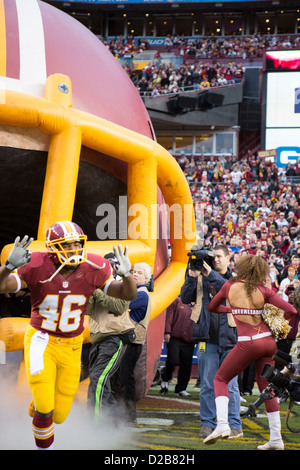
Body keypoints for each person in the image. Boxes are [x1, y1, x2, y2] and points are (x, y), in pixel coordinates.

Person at [0, 222, 137, 450]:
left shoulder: (94, 266)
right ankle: (45, 445)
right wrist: (7, 266)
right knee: (46, 406)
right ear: (53, 248)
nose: (74, 249)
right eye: (67, 244)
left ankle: (39, 407)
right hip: (41, 339)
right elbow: (2, 285)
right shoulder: (37, 265)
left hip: (71, 345)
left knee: (60, 414)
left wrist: (127, 275)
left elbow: (127, 294)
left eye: (77, 243)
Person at [204, 254, 297, 449]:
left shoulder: (229, 287)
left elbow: (212, 307)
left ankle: (222, 425)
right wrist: (277, 323)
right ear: (260, 272)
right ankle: (275, 439)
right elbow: (292, 311)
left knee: (220, 379)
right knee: (267, 388)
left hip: (248, 342)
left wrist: (231, 310)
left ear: (242, 268)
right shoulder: (264, 290)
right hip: (268, 342)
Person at [180, 244, 242, 439]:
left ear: (227, 259)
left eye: (218, 257)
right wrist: (191, 275)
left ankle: (234, 424)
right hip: (206, 336)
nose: (215, 260)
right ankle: (207, 423)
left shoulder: (236, 277)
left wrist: (208, 274)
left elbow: (228, 290)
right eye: (212, 257)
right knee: (207, 383)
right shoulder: (198, 276)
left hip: (230, 337)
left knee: (231, 384)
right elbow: (184, 297)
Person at [115, 262, 152, 423]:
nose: (135, 274)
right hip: (130, 340)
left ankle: (128, 415)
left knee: (125, 377)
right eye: (133, 271)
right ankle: (124, 414)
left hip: (132, 341)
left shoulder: (142, 294)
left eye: (139, 272)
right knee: (121, 377)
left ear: (146, 277)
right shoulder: (138, 292)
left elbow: (120, 306)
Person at [159, 296, 196, 397]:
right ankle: (165, 377)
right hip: (175, 337)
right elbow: (169, 316)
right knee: (173, 360)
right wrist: (167, 332)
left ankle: (181, 389)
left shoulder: (199, 304)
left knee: (186, 365)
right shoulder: (177, 301)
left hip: (190, 339)